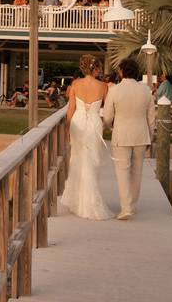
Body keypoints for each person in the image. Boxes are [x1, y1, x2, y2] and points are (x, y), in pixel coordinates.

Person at [60, 54, 114, 220]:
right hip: (94, 123)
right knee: (92, 161)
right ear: (95, 68)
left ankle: (78, 201)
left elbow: (71, 109)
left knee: (77, 159)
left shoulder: (76, 84)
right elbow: (108, 108)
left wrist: (67, 128)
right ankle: (87, 202)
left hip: (78, 122)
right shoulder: (104, 86)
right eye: (98, 68)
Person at [103, 57, 156, 220]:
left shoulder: (114, 90)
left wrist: (112, 126)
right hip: (141, 135)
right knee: (137, 171)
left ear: (121, 72)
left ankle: (126, 207)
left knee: (122, 171)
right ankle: (131, 205)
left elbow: (107, 116)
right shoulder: (146, 91)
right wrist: (150, 136)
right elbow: (152, 118)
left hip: (121, 134)